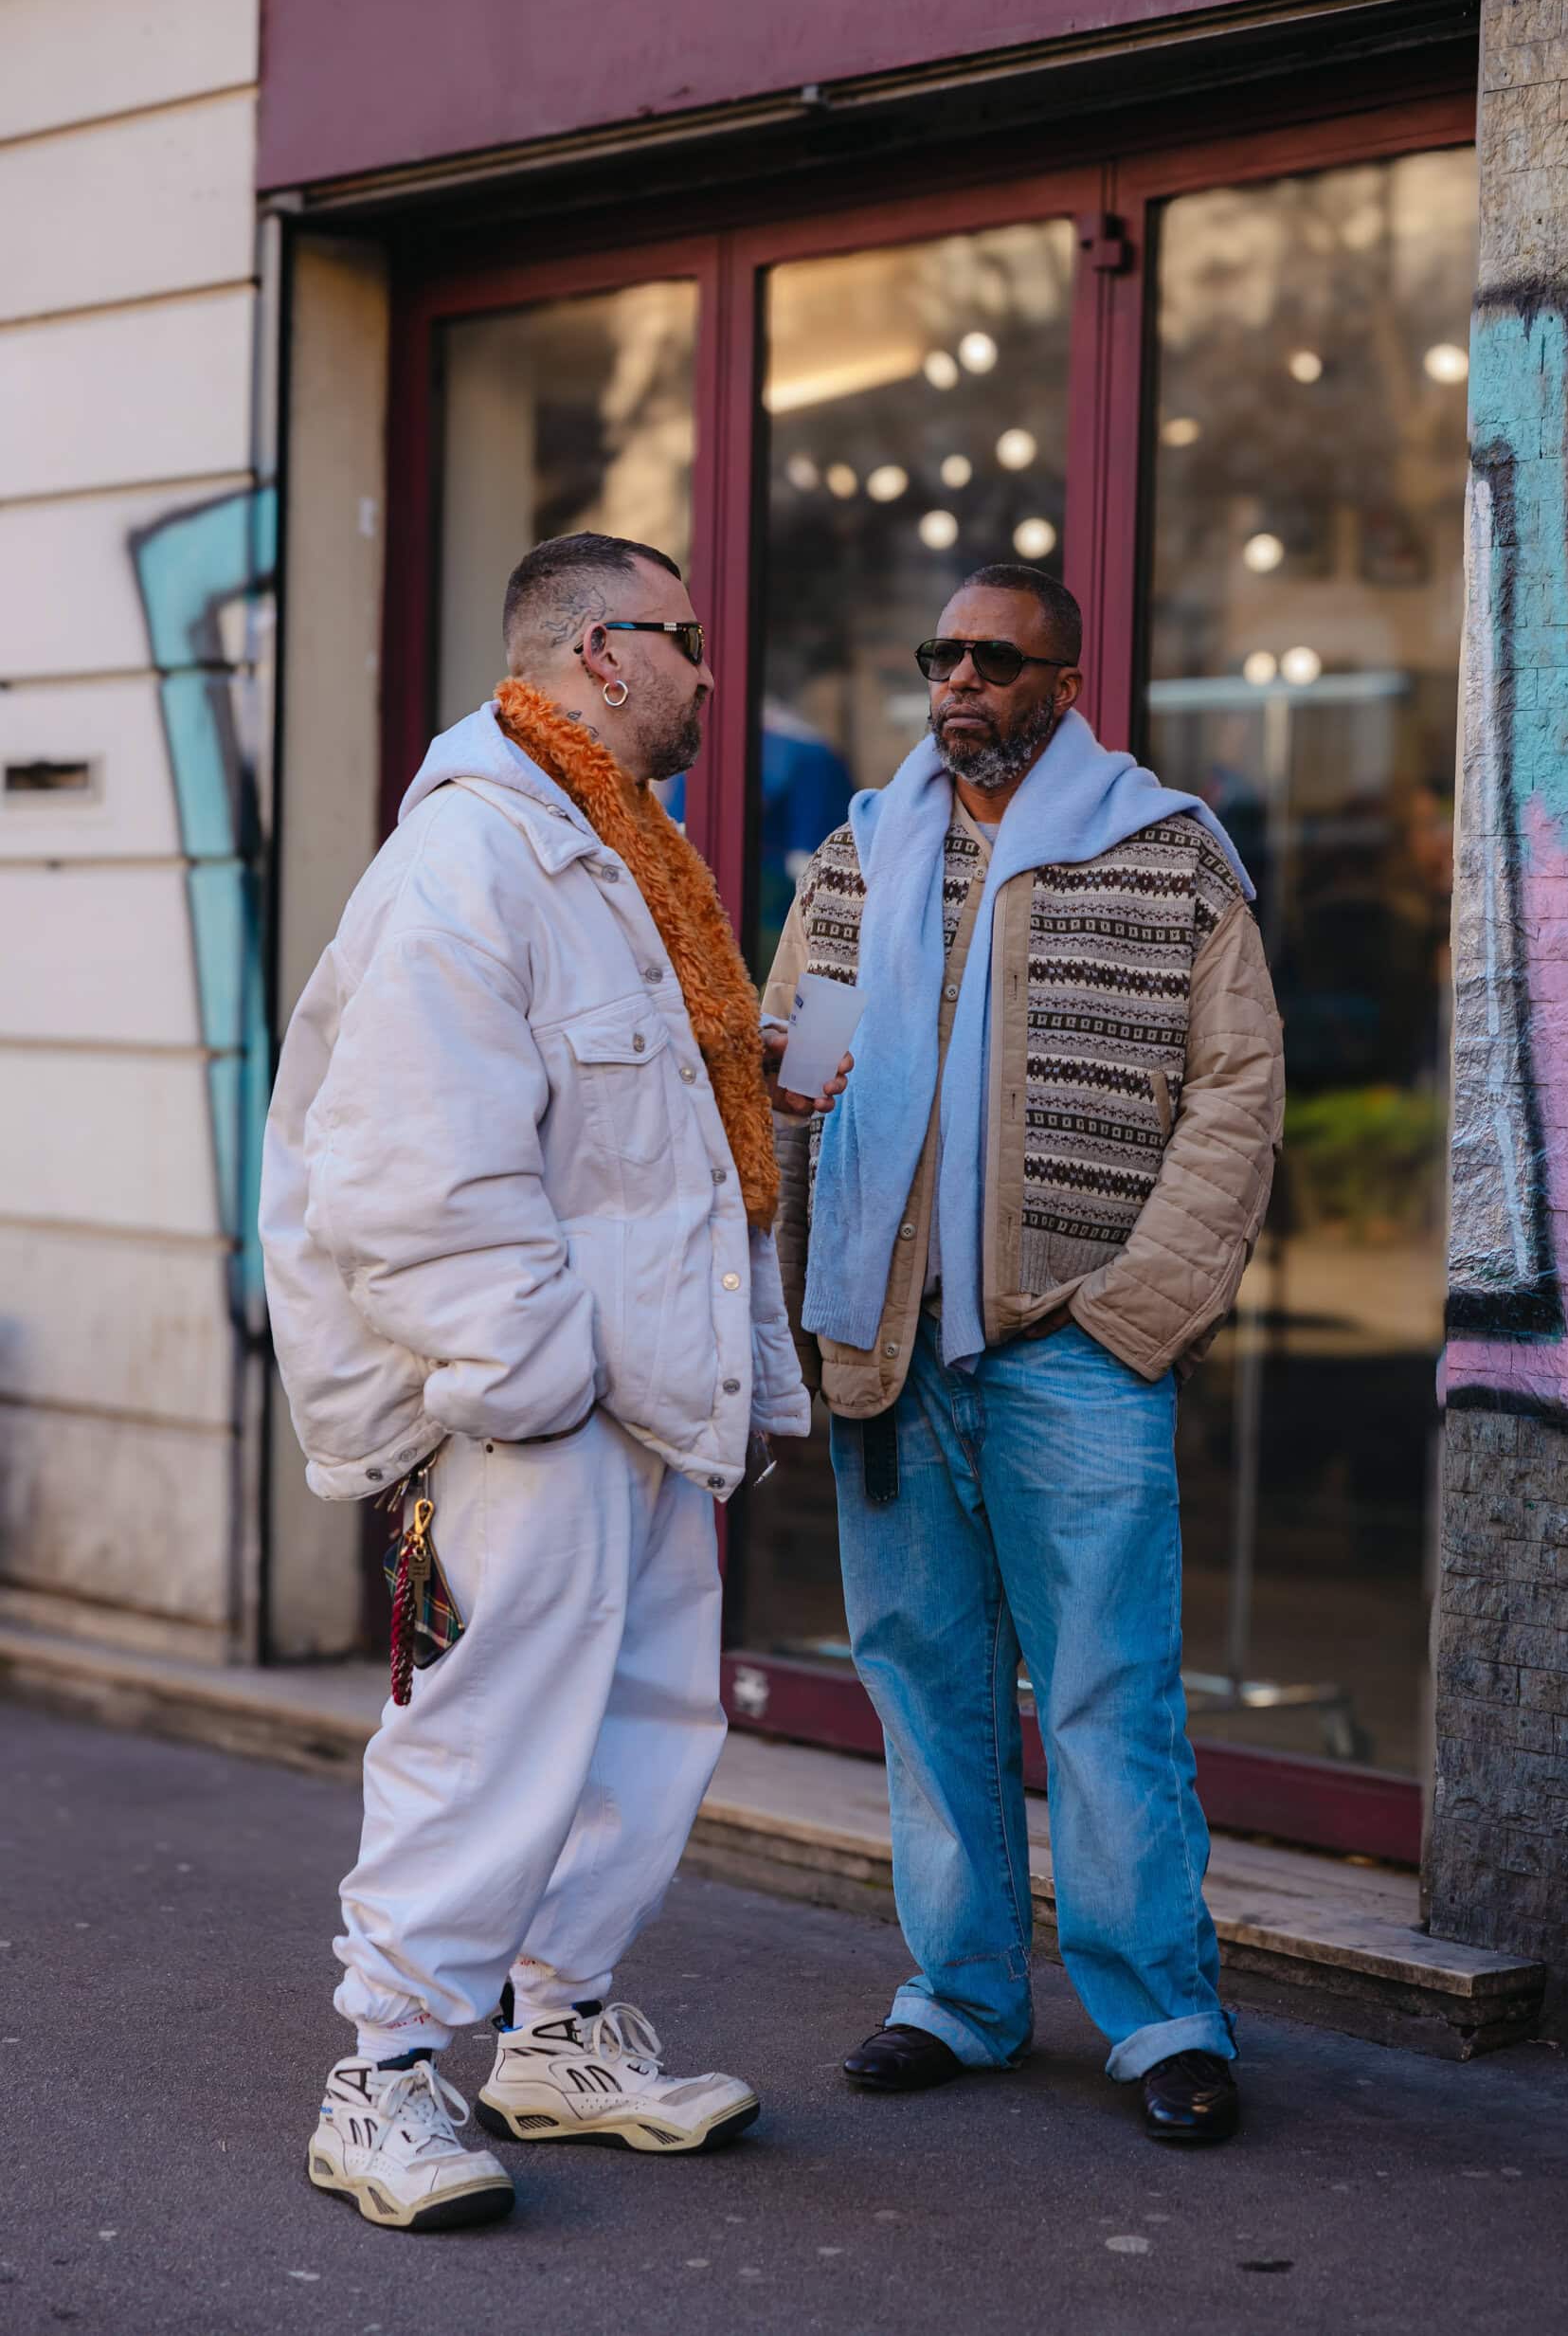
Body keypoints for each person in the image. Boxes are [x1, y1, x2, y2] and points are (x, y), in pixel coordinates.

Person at [261, 533, 844, 2231]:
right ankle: (378, 2079)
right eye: (685, 641)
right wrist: (529, 1382)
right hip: (540, 1398)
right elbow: (408, 1164)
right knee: (489, 1736)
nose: (709, 674)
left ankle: (557, 2030)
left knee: (646, 1726)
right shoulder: (478, 855)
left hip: (639, 1389)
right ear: (600, 654)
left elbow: (617, 1130)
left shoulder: (616, 847)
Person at [766, 564, 1283, 2144]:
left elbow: (1237, 1101)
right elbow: (790, 1073)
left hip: (1075, 1349)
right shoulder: (860, 855)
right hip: (889, 1344)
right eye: (945, 656)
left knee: (1106, 1696)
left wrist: (1137, 1319)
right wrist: (795, 1294)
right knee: (924, 1685)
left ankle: (1164, 2015)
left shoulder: (1165, 852)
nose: (963, 683)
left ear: (1066, 681)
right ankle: (964, 1995)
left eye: (999, 658)